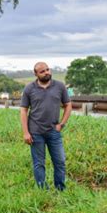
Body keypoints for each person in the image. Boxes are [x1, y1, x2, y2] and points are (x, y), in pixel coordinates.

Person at [20, 62, 72, 190]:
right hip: (35, 132)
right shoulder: (29, 88)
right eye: (42, 71)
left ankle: (60, 189)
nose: (46, 72)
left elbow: (68, 105)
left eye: (47, 69)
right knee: (39, 164)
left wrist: (62, 124)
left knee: (60, 162)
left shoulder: (59, 86)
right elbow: (23, 110)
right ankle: (42, 190)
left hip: (54, 131)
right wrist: (26, 132)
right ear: (36, 74)